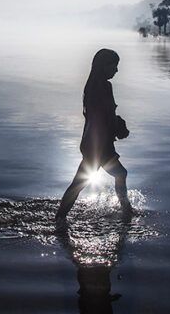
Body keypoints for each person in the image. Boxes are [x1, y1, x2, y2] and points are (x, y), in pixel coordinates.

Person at [56, 48, 132, 220]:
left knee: (86, 181)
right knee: (82, 182)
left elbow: (106, 114)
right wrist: (118, 127)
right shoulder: (99, 87)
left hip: (96, 142)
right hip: (97, 144)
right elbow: (101, 117)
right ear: (103, 66)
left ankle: (126, 212)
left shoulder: (97, 85)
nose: (116, 70)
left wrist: (118, 123)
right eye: (114, 66)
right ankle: (126, 214)